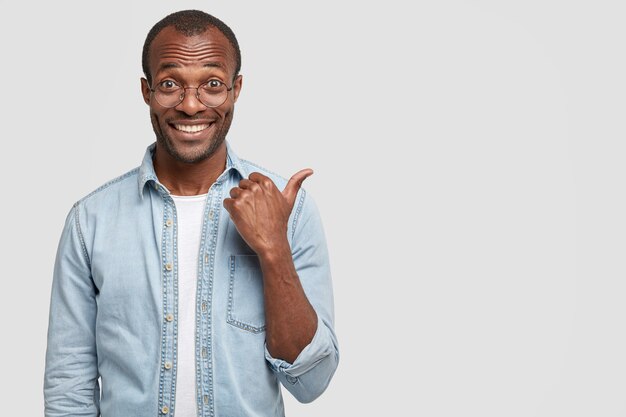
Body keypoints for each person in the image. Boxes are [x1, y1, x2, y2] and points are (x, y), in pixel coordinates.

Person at [44, 10, 339, 417]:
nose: (190, 104)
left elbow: (312, 382)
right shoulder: (89, 221)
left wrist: (274, 250)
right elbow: (69, 389)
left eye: (212, 84)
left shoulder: (289, 209)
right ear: (146, 92)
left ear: (236, 90)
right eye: (170, 84)